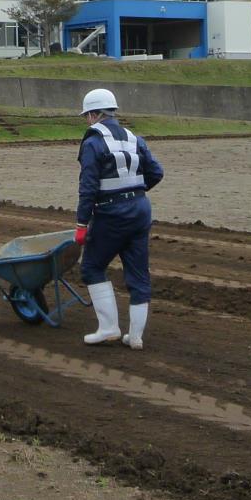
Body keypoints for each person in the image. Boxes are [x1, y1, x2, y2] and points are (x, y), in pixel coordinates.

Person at [74, 88, 163, 349]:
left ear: (94, 114)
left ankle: (108, 328)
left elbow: (88, 188)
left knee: (92, 267)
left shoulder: (93, 142)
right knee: (138, 273)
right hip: (140, 211)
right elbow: (156, 172)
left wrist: (81, 224)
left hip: (111, 214)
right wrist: (134, 192)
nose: (87, 120)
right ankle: (135, 337)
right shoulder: (135, 138)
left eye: (87, 115)